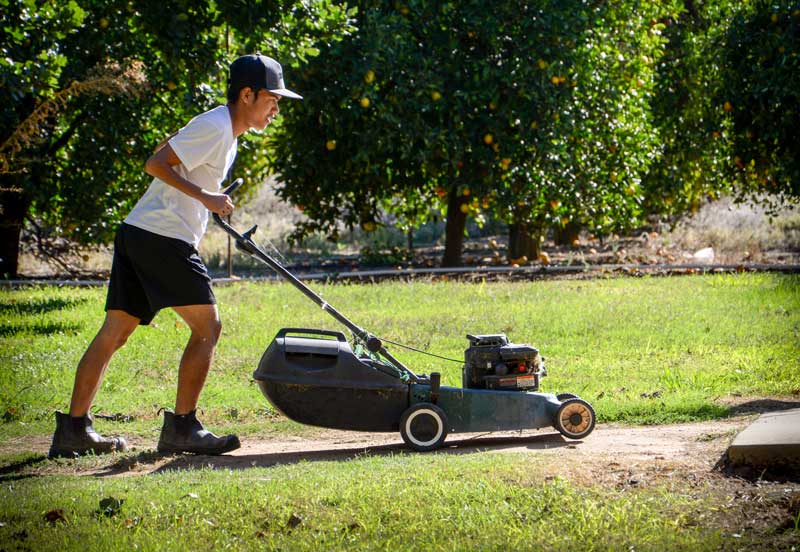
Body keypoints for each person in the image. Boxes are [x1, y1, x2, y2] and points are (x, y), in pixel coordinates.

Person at [49, 54, 302, 458]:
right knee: (208, 326)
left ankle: (73, 431)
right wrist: (206, 197)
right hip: (161, 238)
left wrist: (207, 201)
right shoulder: (217, 127)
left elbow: (179, 171)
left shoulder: (227, 133)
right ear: (247, 94)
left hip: (141, 232)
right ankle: (183, 427)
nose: (276, 108)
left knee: (115, 332)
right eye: (273, 99)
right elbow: (155, 163)